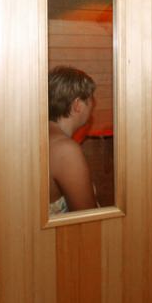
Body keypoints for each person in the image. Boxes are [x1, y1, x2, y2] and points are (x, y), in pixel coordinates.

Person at [48, 66, 99, 215]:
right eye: (90, 99)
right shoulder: (66, 150)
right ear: (77, 105)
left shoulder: (40, 136)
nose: (93, 105)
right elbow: (87, 218)